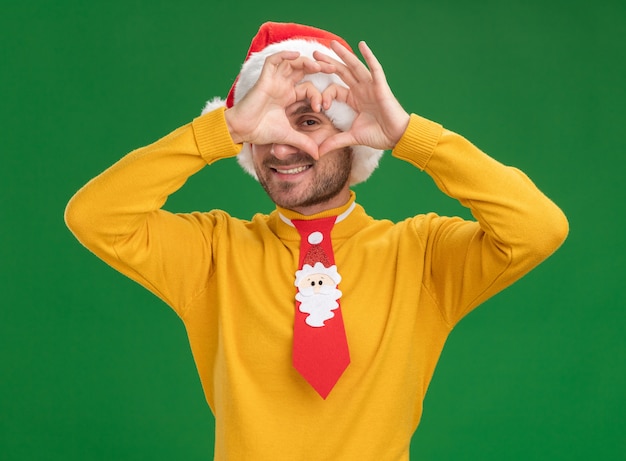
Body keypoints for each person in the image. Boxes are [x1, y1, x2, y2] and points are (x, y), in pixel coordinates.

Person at [65, 21, 568, 461]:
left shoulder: (421, 255)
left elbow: (538, 229)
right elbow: (93, 216)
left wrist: (409, 136)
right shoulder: (213, 253)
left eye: (308, 122)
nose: (282, 147)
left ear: (355, 138)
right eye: (266, 128)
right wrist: (222, 129)